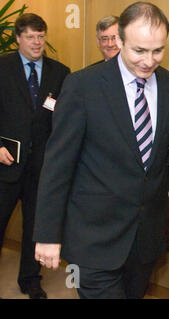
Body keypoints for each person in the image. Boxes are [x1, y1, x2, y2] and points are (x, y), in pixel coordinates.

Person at [32, 2, 169, 299]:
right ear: (119, 39)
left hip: (145, 239)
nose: (148, 61)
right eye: (139, 51)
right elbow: (57, 165)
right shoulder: (83, 85)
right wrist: (47, 235)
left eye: (157, 51)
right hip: (92, 237)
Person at [0, 13, 70, 299]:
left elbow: (64, 120)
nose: (37, 42)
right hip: (5, 163)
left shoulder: (60, 72)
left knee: (34, 227)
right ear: (18, 38)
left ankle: (30, 279)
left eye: (41, 36)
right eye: (30, 37)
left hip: (42, 168)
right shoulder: (2, 67)